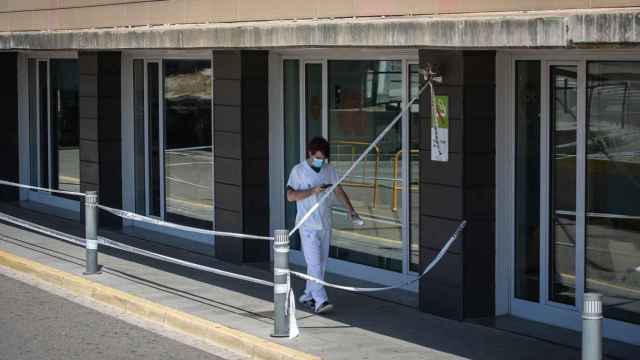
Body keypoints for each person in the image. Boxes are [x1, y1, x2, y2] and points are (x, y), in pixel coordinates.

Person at [287, 136, 362, 314]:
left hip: (325, 223)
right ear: (310, 154)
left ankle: (307, 295)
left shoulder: (328, 170)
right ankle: (321, 300)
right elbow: (290, 196)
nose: (320, 161)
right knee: (314, 265)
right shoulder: (298, 171)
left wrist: (351, 210)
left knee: (320, 263)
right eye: (318, 157)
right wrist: (312, 191)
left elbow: (338, 189)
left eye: (323, 158)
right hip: (308, 225)